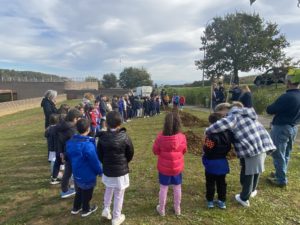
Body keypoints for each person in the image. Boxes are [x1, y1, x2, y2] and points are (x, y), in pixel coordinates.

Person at [206, 103, 275, 207]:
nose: (223, 116)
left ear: (224, 109)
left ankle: (244, 198)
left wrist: (207, 133)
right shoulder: (245, 115)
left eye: (220, 112)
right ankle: (250, 191)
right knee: (255, 171)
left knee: (249, 174)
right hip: (261, 145)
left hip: (251, 148)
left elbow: (215, 129)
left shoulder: (233, 116)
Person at [97, 111, 134, 225]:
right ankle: (116, 217)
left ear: (107, 123)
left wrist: (107, 163)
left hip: (110, 169)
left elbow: (99, 154)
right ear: (120, 123)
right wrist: (123, 162)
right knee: (118, 193)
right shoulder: (123, 136)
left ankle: (106, 209)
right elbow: (130, 153)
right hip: (119, 171)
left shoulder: (103, 138)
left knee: (109, 188)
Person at [266, 69, 300, 187]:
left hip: (281, 128)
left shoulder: (287, 97)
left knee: (278, 153)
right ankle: (280, 173)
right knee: (286, 152)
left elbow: (270, 109)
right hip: (293, 127)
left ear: (289, 82)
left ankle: (281, 179)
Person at [153, 112, 187, 216]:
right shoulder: (182, 137)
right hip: (177, 168)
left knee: (163, 187)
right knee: (177, 187)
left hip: (164, 168)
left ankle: (162, 209)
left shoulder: (160, 137)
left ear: (165, 123)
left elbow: (155, 151)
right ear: (178, 124)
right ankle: (177, 208)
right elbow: (184, 150)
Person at [66, 118, 102, 217]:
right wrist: (100, 171)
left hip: (76, 172)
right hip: (87, 174)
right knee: (87, 193)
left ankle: (75, 208)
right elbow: (94, 162)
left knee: (79, 191)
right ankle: (86, 209)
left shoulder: (70, 142)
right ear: (88, 129)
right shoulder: (87, 145)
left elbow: (68, 155)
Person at [202, 113, 232, 209]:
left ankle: (210, 201)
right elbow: (228, 148)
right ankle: (222, 201)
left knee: (210, 182)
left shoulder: (211, 136)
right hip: (222, 162)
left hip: (211, 163)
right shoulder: (227, 134)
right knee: (222, 183)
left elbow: (207, 149)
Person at [55, 108, 82, 198]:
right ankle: (73, 189)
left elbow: (60, 141)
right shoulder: (72, 129)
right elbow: (76, 142)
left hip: (66, 152)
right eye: (79, 118)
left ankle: (65, 189)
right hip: (72, 153)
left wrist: (61, 152)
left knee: (67, 171)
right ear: (75, 119)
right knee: (74, 171)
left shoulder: (62, 126)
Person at [45, 114, 60, 181]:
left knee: (52, 160)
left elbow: (46, 135)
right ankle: (55, 174)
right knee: (55, 161)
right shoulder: (57, 129)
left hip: (51, 147)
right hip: (56, 147)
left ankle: (53, 174)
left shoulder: (48, 129)